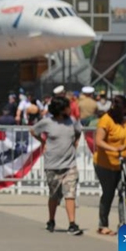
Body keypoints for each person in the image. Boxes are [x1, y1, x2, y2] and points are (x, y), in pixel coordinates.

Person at [29, 96, 83, 235]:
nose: (70, 109)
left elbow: (78, 132)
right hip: (52, 164)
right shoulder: (47, 122)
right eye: (67, 107)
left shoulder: (72, 122)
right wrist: (43, 142)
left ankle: (72, 223)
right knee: (54, 194)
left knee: (70, 193)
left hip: (69, 164)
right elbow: (33, 131)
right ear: (60, 109)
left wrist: (75, 143)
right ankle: (51, 220)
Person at [93, 95, 126, 236]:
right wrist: (114, 149)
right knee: (108, 193)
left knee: (124, 193)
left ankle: (123, 223)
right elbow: (99, 141)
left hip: (122, 164)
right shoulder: (105, 120)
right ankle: (103, 224)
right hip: (105, 164)